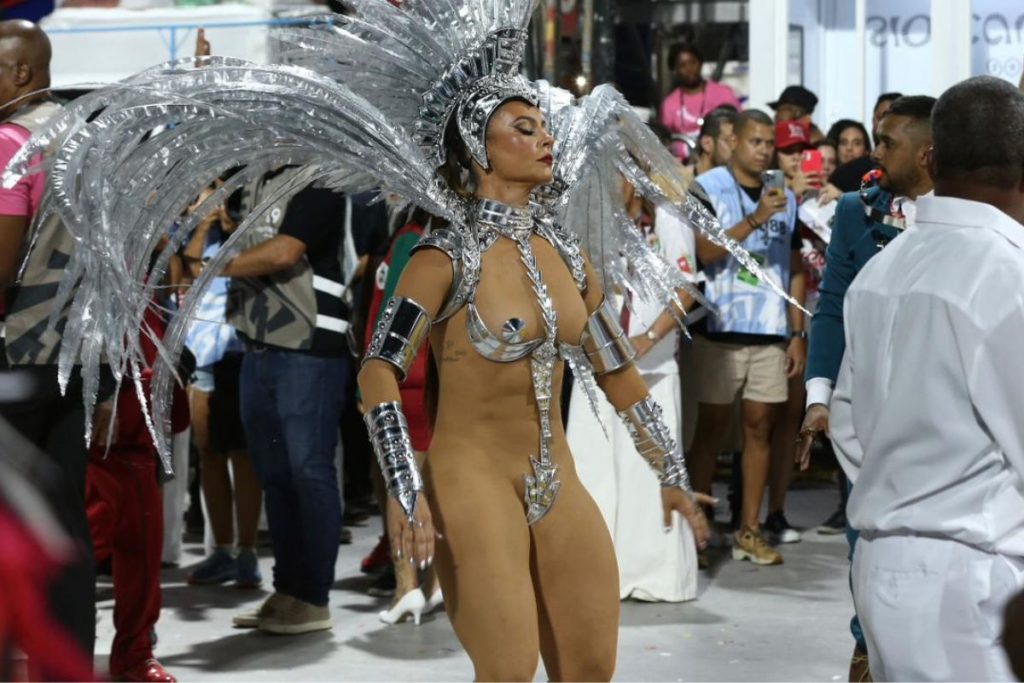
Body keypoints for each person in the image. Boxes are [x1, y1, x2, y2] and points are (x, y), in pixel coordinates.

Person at [831, 75, 1024, 681]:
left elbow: (846, 424)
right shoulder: (1008, 278)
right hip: (976, 580)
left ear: (935, 159)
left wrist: (905, 496)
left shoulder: (882, 271)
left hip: (884, 563)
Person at [797, 96, 935, 681]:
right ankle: (868, 655)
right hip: (867, 413)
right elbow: (831, 309)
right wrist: (819, 397)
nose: (875, 154)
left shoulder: (981, 215)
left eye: (888, 142)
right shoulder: (855, 210)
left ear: (928, 153)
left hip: (938, 413)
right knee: (866, 545)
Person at [191, 168, 352, 635]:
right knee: (276, 475)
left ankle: (314, 597)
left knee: (308, 471)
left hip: (309, 348)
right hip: (257, 343)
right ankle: (287, 592)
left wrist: (214, 264)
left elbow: (285, 251)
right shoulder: (255, 185)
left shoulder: (321, 182)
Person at [0, 19, 100, 675]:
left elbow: (0, 265)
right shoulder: (86, 137)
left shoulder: (9, 141)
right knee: (65, 520)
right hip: (82, 353)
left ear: (24, 72)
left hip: (15, 354)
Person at [566, 178, 699, 602]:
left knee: (649, 474)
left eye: (617, 171)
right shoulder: (588, 219)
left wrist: (646, 339)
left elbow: (685, 290)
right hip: (597, 366)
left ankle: (655, 575)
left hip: (652, 369)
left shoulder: (668, 219)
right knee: (591, 471)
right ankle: (593, 572)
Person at [688, 109, 806, 566]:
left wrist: (796, 332)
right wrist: (756, 218)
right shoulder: (709, 187)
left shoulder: (785, 197)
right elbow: (707, 251)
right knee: (711, 431)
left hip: (770, 329)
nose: (763, 150)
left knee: (761, 428)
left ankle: (749, 529)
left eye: (768, 143)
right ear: (732, 140)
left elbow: (795, 267)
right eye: (754, 141)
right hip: (720, 326)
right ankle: (696, 528)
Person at [85, 300, 190, 683]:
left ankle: (135, 653)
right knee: (76, 545)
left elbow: (159, 323)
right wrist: (104, 393)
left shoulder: (155, 261)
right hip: (87, 404)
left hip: (141, 413)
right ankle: (58, 644)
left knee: (142, 544)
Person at [362, 205, 442, 624]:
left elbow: (389, 317)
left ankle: (405, 585)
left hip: (402, 379)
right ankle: (432, 584)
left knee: (400, 486)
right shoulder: (435, 241)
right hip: (426, 379)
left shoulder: (410, 240)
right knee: (428, 486)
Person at [180, 186, 263, 589]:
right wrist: (204, 222)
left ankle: (247, 553)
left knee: (243, 456)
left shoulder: (249, 225)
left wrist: (230, 222)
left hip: (240, 346)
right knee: (209, 453)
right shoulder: (197, 232)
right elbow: (188, 270)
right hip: (203, 350)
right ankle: (223, 551)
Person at [659, 44, 741, 161]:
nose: (689, 69)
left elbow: (739, 126)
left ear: (700, 63)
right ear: (675, 70)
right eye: (682, 65)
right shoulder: (669, 104)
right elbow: (665, 141)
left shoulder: (723, 93)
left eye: (693, 63)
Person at [693, 108, 737, 177]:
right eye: (730, 141)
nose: (735, 148)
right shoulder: (679, 182)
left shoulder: (738, 184)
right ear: (707, 143)